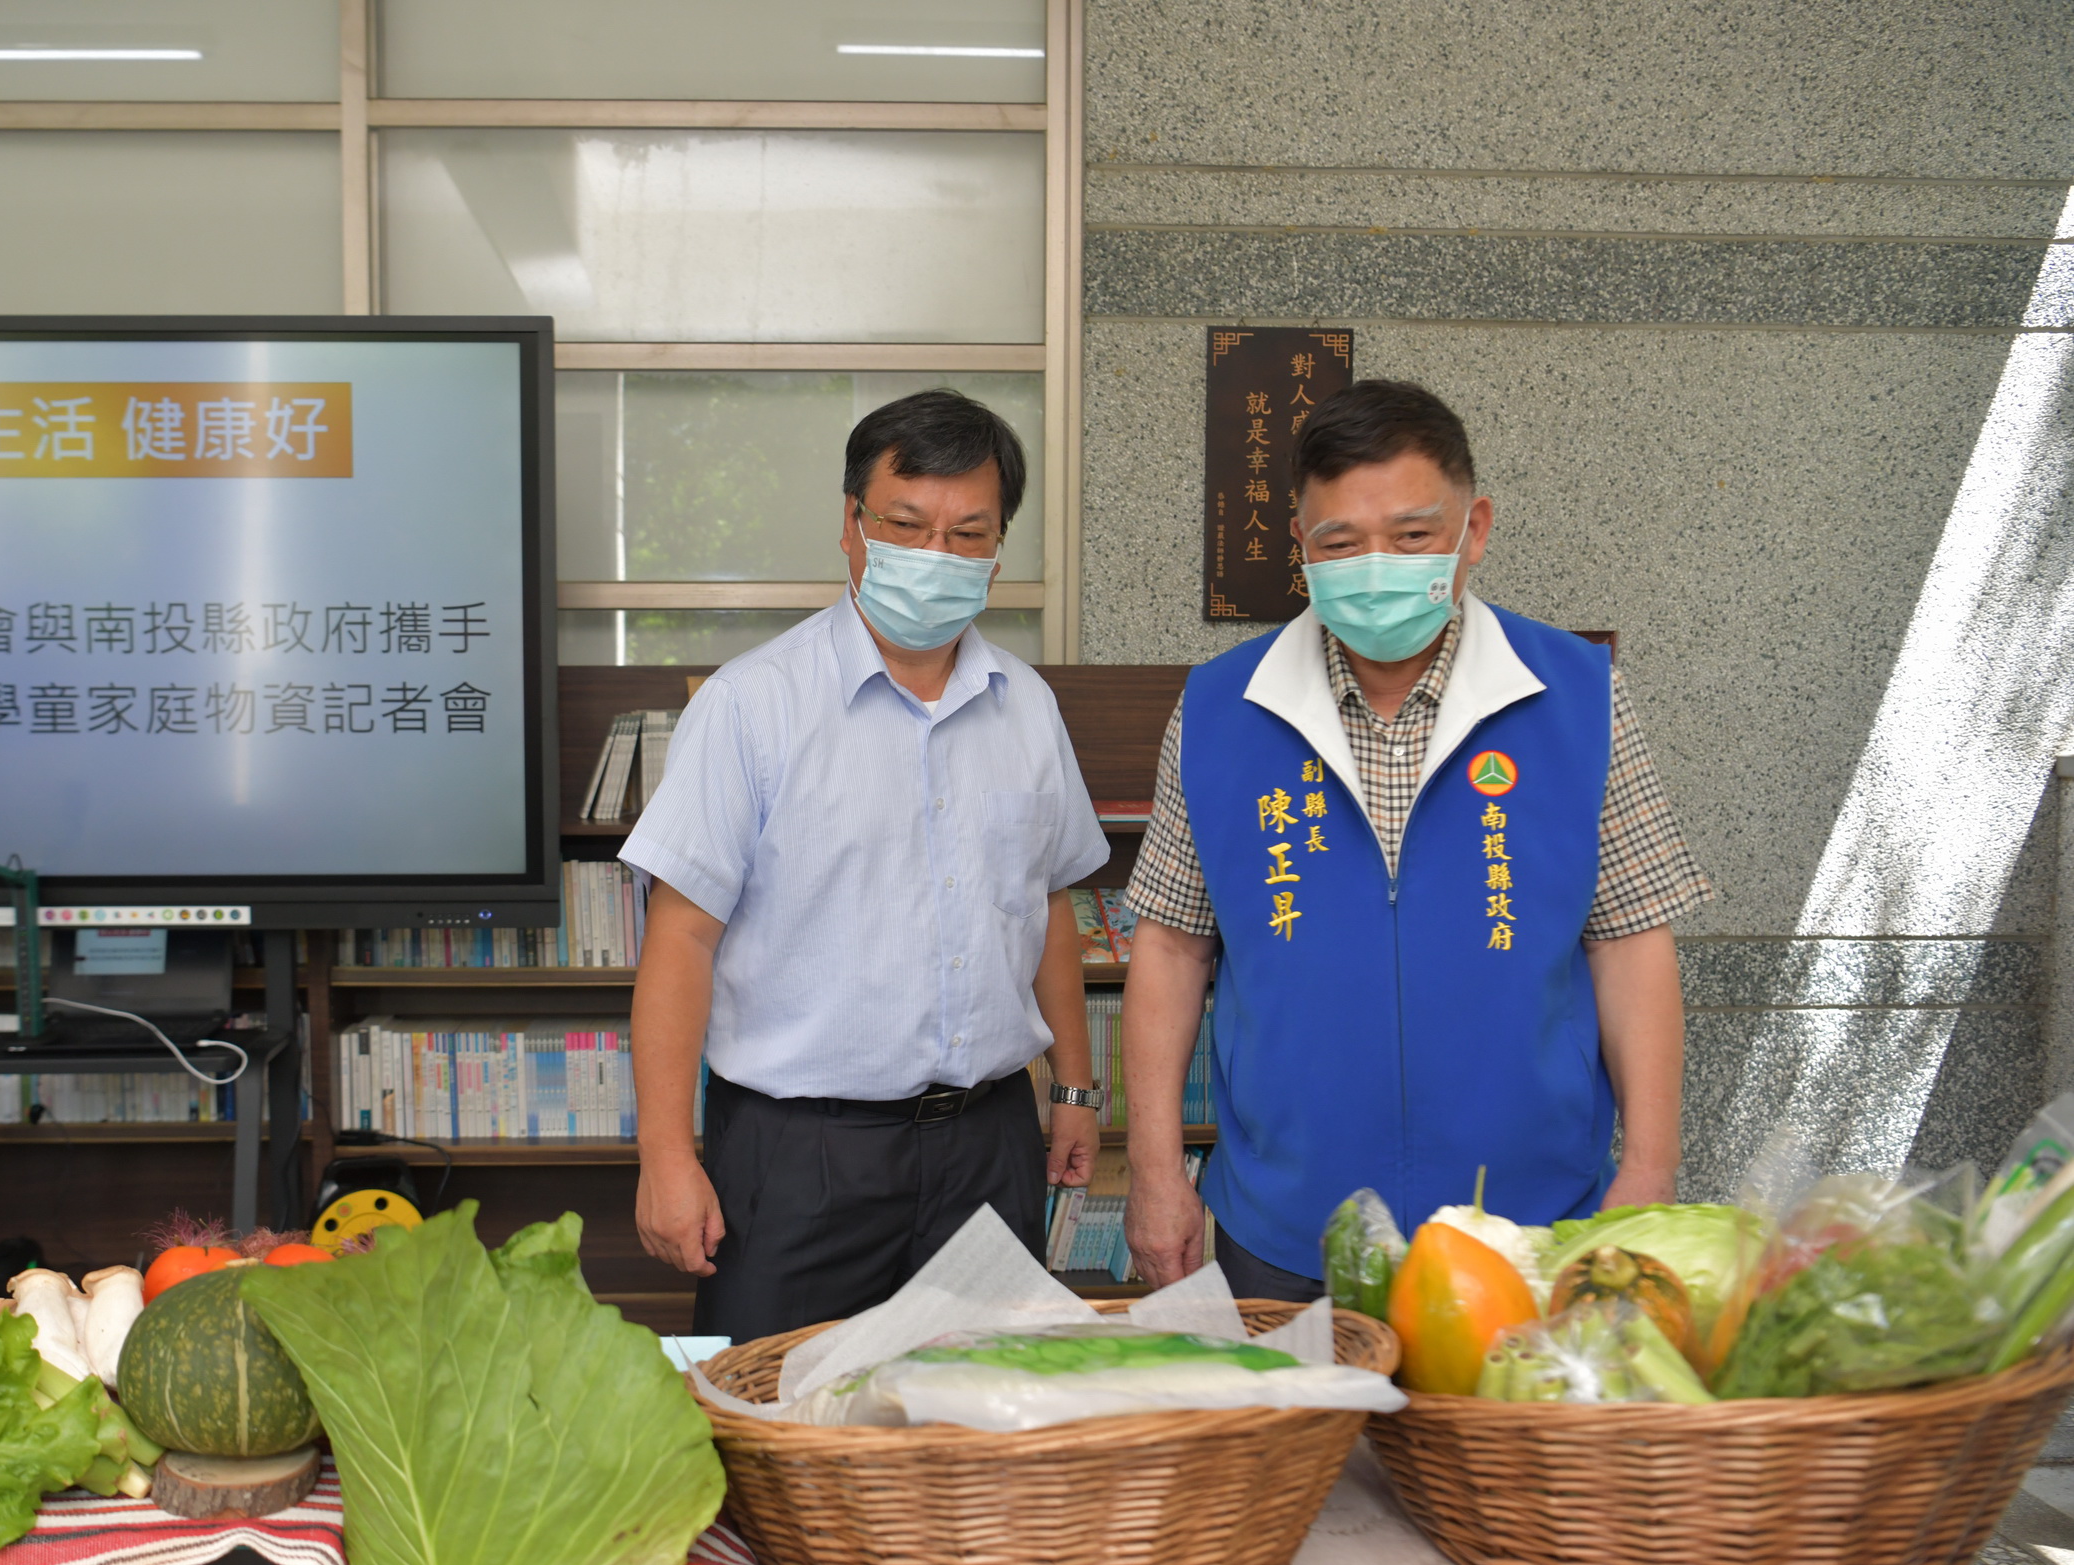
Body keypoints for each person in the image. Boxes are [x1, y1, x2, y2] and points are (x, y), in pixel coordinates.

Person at [1120, 380, 1712, 1298]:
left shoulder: (1579, 697)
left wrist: (1651, 1171)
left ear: (1473, 530)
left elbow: (1633, 942)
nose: (1376, 565)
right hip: (1284, 1228)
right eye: (1341, 544)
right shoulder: (1219, 709)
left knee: (1502, 1449)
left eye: (1412, 536)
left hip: (1534, 1224)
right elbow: (1167, 944)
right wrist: (1157, 1175)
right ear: (1301, 552)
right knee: (1301, 1447)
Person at [622, 388, 1111, 1341]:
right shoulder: (751, 705)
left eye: (970, 533)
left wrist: (1078, 1090)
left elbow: (1048, 901)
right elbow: (680, 938)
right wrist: (665, 1156)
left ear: (999, 547)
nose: (938, 555)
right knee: (778, 1429)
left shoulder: (1029, 707)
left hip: (988, 1142)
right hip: (800, 1151)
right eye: (907, 524)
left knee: (976, 1429)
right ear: (851, 524)